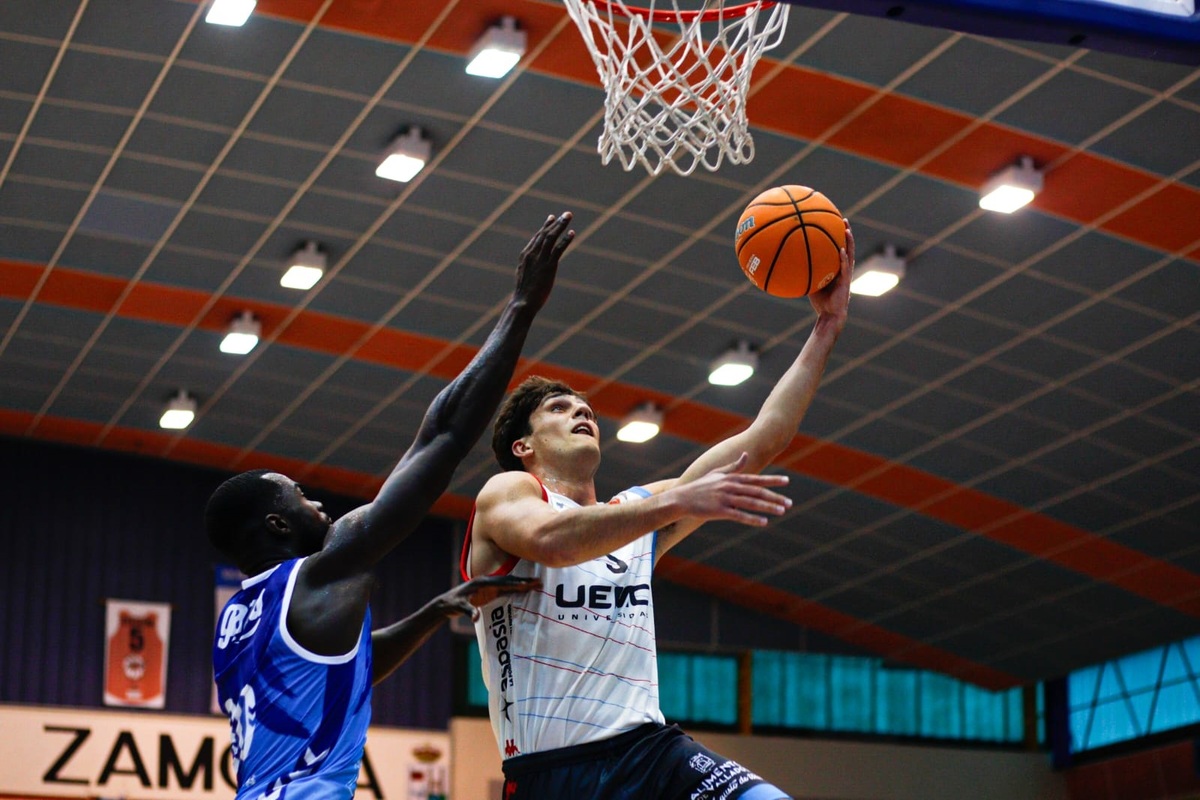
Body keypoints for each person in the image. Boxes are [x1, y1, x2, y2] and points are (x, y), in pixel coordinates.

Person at [462, 222, 856, 800]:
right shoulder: (508, 494)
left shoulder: (638, 512)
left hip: (654, 754)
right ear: (524, 447)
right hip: (557, 773)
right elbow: (553, 542)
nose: (582, 412)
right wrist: (679, 499)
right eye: (558, 408)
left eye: (587, 408)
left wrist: (827, 327)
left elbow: (764, 438)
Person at [206, 212, 575, 800]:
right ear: (277, 524)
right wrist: (521, 308)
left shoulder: (236, 621)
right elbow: (444, 438)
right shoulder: (326, 569)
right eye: (301, 496)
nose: (318, 501)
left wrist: (433, 612)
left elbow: (345, 671)